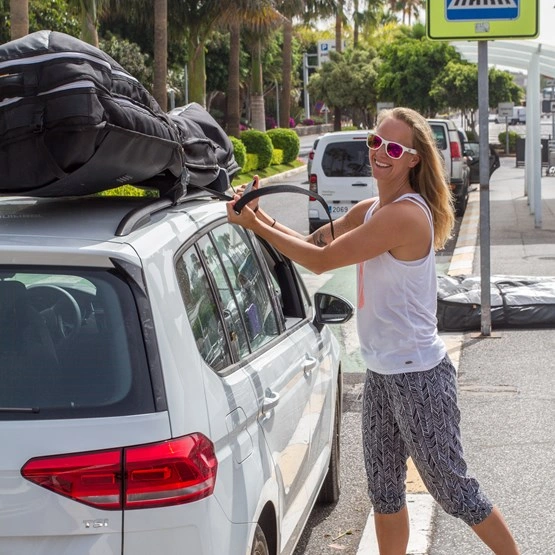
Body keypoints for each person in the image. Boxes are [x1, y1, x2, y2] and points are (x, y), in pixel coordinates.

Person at [227, 107, 519, 555]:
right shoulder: (372, 210)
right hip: (383, 372)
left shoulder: (403, 216)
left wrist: (254, 224)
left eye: (394, 148)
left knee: (454, 491)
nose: (381, 152)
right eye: (376, 141)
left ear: (413, 160)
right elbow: (315, 242)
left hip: (418, 374)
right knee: (384, 492)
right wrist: (259, 217)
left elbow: (320, 262)